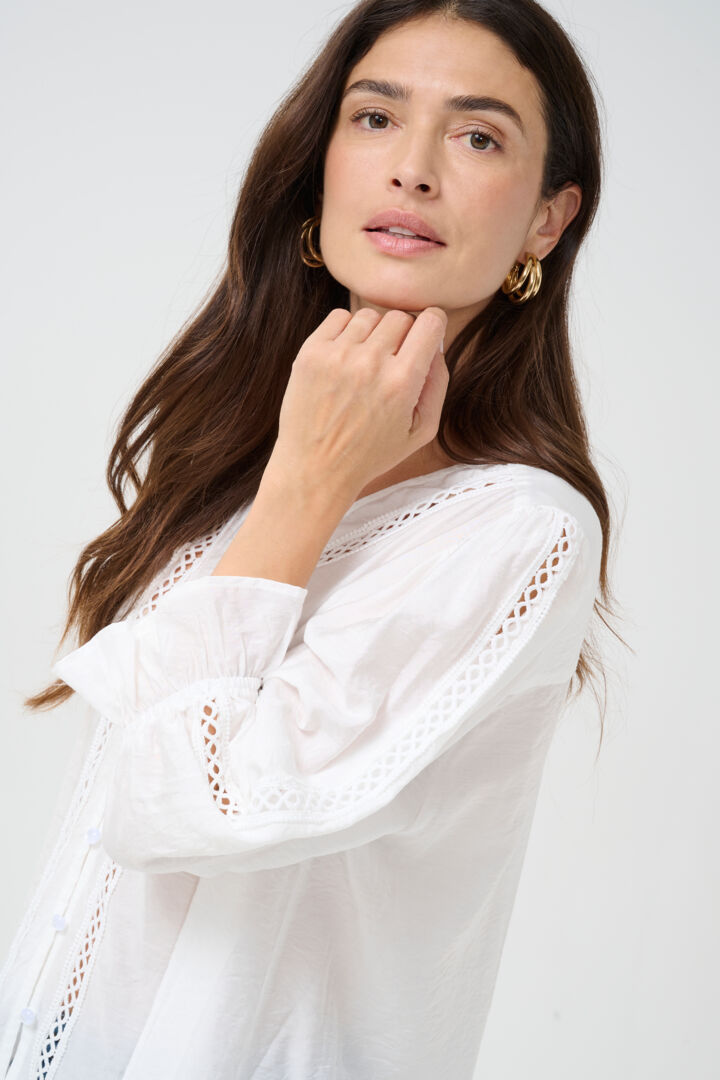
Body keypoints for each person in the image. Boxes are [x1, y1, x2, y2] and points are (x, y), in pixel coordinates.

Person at [0, 1, 625, 1076]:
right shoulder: (243, 468)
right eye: (375, 118)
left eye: (478, 136)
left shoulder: (520, 529)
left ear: (546, 220)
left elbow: (188, 808)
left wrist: (308, 482)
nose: (412, 170)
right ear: (320, 165)